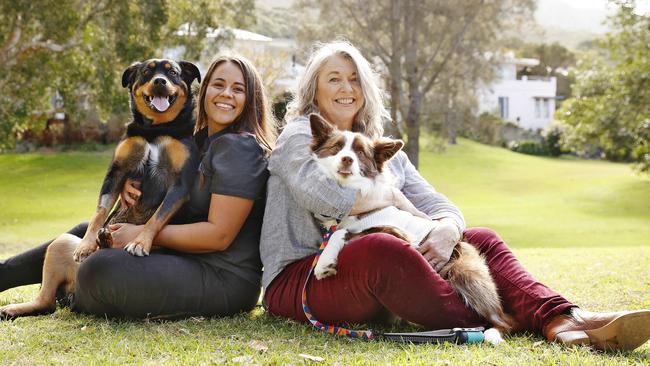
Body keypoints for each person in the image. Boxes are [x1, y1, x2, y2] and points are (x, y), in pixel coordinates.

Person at [259, 41, 650, 351]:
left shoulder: (382, 154)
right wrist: (393, 201)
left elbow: (438, 204)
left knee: (481, 238)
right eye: (334, 78)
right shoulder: (299, 137)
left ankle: (563, 318)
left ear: (366, 90)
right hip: (305, 277)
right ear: (314, 87)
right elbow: (323, 196)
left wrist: (447, 228)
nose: (346, 88)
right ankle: (502, 319)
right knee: (384, 249)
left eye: (355, 79)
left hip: (364, 272)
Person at [0, 54, 276, 319]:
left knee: (100, 266)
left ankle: (67, 286)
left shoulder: (239, 147)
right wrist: (130, 186)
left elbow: (219, 236)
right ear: (202, 92)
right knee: (87, 231)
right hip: (183, 255)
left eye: (238, 89)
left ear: (250, 98)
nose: (226, 94)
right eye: (218, 85)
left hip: (222, 276)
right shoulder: (199, 139)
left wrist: (144, 232)